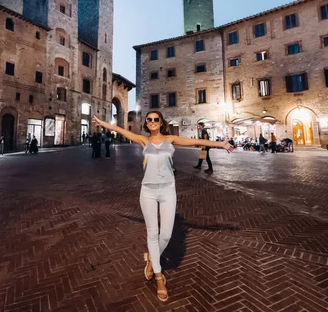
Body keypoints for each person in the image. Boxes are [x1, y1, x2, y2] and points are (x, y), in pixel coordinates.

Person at [92, 111, 234, 302]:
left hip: (168, 190)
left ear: (161, 123)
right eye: (149, 119)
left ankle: (152, 259)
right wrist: (103, 123)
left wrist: (220, 144)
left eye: (155, 119)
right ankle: (158, 277)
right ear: (147, 123)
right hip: (148, 192)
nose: (151, 122)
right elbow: (120, 130)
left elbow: (194, 143)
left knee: (166, 234)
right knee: (152, 232)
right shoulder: (143, 140)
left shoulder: (170, 139)